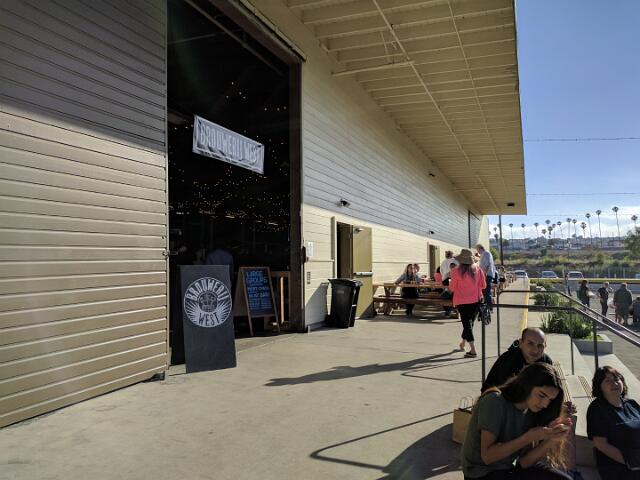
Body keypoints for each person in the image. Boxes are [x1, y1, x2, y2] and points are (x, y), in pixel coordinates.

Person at [462, 363, 573, 480]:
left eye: (550, 400)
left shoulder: (532, 410)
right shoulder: (494, 401)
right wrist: (529, 437)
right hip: (480, 473)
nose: (545, 404)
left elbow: (524, 463)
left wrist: (551, 438)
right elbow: (487, 457)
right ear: (527, 385)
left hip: (506, 469)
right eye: (541, 395)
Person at [587, 366, 640, 479]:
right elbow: (600, 444)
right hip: (619, 467)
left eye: (617, 379)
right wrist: (631, 462)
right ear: (599, 386)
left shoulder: (632, 404)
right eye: (608, 380)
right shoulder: (597, 408)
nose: (614, 383)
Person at [482, 327, 553, 392]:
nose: (535, 350)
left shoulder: (546, 362)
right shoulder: (508, 361)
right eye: (530, 344)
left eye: (540, 345)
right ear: (521, 343)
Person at [450, 249, 485, 357]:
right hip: (476, 300)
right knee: (470, 324)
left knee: (467, 324)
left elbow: (452, 288)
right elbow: (483, 285)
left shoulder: (455, 271)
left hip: (462, 301)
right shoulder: (478, 269)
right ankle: (463, 343)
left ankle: (473, 350)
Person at [476, 244, 496, 310]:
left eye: (477, 249)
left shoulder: (486, 253)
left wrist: (484, 274)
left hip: (486, 275)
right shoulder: (485, 253)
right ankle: (488, 305)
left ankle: (489, 306)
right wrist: (478, 256)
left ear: (480, 248)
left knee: (487, 291)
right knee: (485, 291)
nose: (477, 251)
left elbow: (487, 265)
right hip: (486, 274)